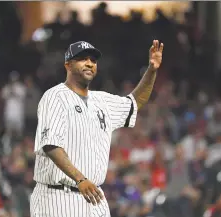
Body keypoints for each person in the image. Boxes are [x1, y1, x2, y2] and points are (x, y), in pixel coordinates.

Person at [30, 40, 164, 217]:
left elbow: (135, 103)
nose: (89, 63)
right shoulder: (55, 97)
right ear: (67, 65)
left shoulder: (102, 101)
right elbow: (51, 145)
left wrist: (152, 70)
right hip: (58, 196)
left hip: (94, 196)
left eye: (93, 60)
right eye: (82, 59)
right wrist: (80, 179)